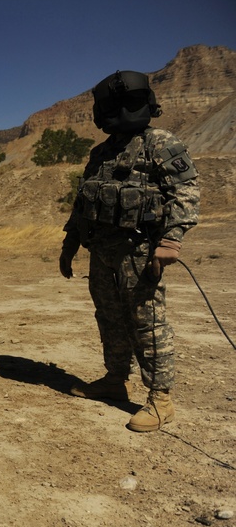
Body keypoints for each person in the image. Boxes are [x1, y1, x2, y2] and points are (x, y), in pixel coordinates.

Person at [60, 70, 199, 433]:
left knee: (147, 322)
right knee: (109, 317)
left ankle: (160, 400)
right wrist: (70, 242)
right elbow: (83, 202)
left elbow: (184, 192)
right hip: (102, 251)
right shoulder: (102, 152)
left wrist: (171, 239)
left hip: (139, 252)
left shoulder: (159, 142)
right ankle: (115, 380)